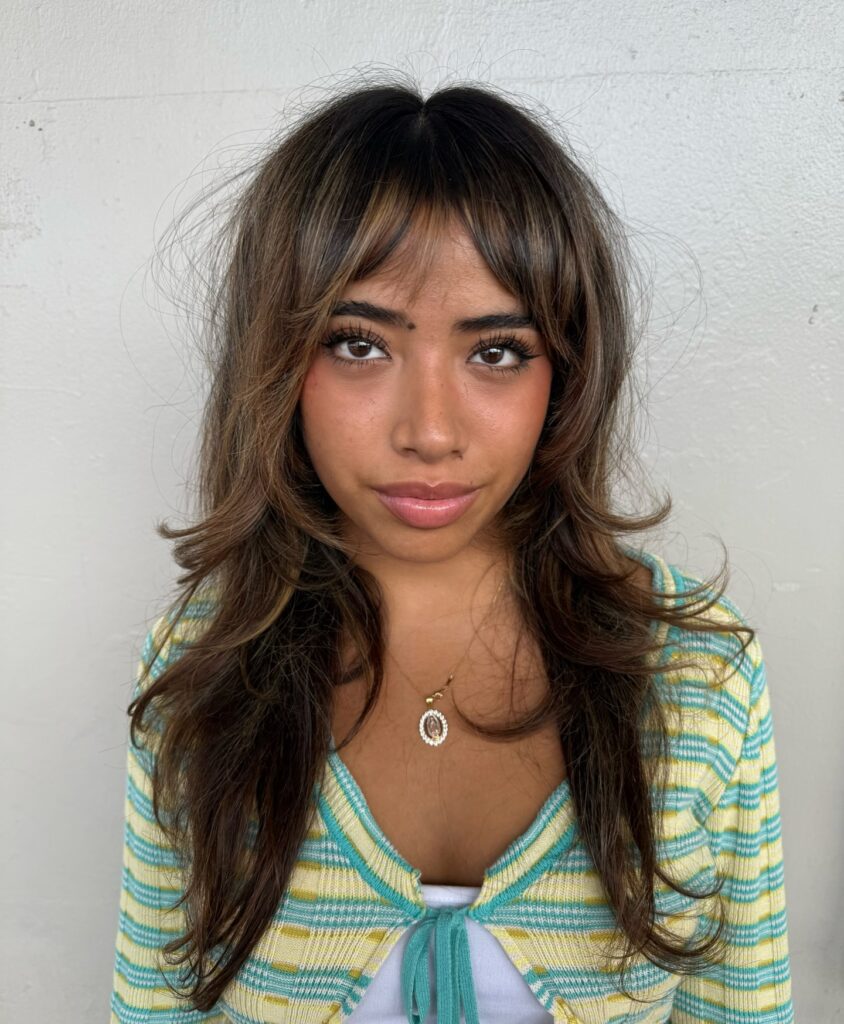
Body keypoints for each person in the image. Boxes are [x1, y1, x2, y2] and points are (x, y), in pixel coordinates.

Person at [109, 76, 793, 1023]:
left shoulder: (697, 675)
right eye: (357, 344)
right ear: (277, 359)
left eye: (497, 351)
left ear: (568, 373)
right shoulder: (202, 669)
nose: (430, 431)